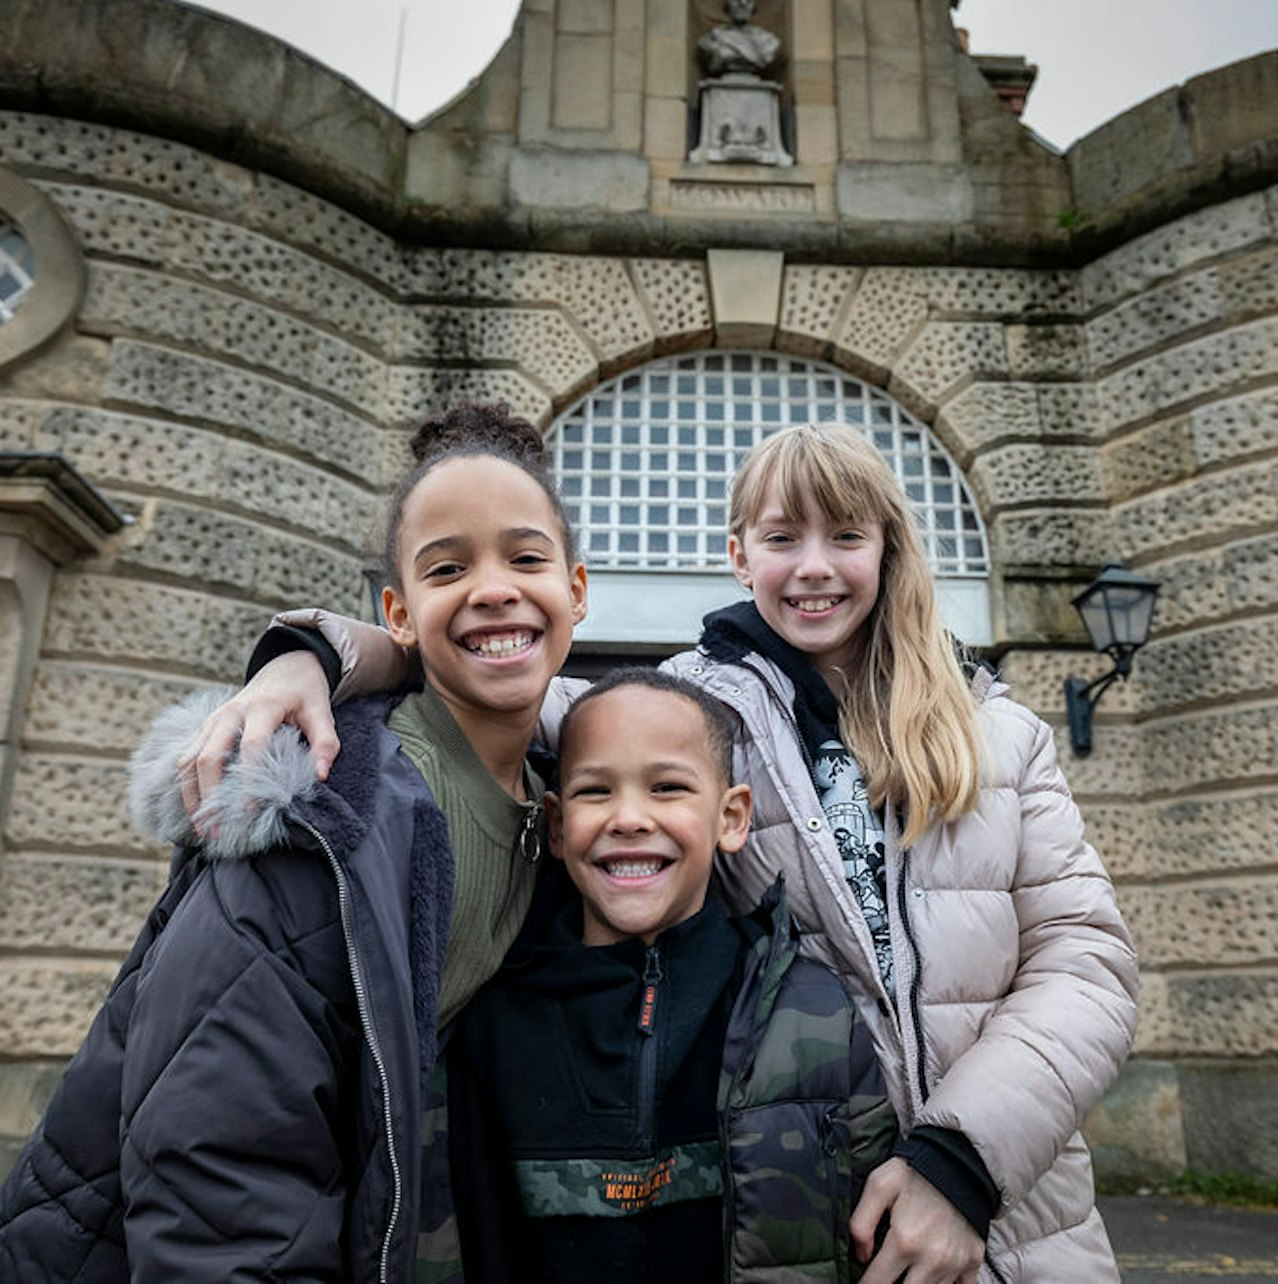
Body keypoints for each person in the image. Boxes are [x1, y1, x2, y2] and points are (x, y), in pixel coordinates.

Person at [164, 422, 1140, 1282]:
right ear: (737, 554)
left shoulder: (999, 732)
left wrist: (961, 1165)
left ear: (889, 549)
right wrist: (315, 655)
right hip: (817, 1200)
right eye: (780, 537)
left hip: (1016, 1200)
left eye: (846, 536)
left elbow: (1085, 963)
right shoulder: (682, 710)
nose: (813, 567)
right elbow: (490, 664)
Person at [0, 403, 588, 1281]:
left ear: (577, 590)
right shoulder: (317, 819)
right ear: (398, 612)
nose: (494, 586)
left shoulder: (570, 801)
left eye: (526, 557)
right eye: (448, 567)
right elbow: (221, 1164)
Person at [446, 666, 897, 1281]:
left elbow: (875, 1242)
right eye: (595, 792)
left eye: (667, 788)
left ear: (732, 818)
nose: (629, 817)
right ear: (555, 823)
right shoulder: (492, 1028)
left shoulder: (812, 1014)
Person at [698, 0, 782, 78]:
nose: (743, 3)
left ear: (754, 6)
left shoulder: (767, 40)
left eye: (749, 0)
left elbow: (767, 58)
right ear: (727, 4)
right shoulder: (713, 39)